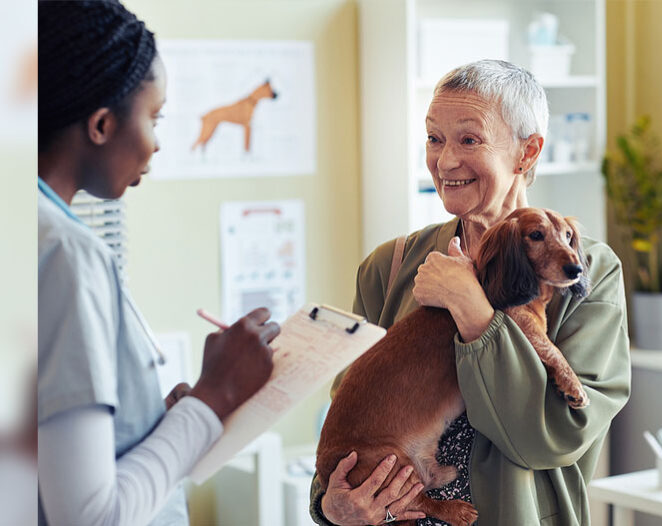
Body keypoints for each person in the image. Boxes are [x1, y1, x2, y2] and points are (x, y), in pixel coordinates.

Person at [310, 59, 631, 526]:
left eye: (469, 139)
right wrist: (329, 505)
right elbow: (349, 422)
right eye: (434, 139)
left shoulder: (587, 274)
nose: (445, 161)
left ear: (527, 153)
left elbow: (554, 437)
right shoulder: (390, 266)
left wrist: (474, 310)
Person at [37, 2, 278, 525]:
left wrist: (156, 423)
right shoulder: (67, 255)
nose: (157, 143)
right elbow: (88, 518)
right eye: (154, 117)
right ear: (101, 125)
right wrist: (215, 396)